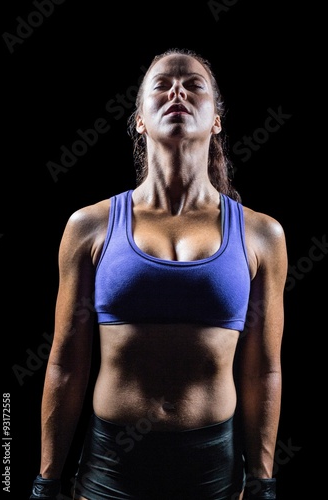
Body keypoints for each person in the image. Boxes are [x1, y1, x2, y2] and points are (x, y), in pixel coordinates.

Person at [29, 47, 288, 500]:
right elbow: (65, 363)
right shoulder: (89, 226)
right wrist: (45, 481)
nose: (177, 92)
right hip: (112, 471)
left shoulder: (261, 234)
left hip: (213, 472)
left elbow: (263, 370)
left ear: (217, 120)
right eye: (162, 85)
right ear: (140, 120)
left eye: (193, 85)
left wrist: (263, 481)